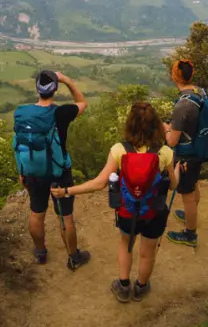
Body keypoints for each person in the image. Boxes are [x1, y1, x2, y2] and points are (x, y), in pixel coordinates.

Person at [52, 102, 181, 302]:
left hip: (127, 211)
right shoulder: (165, 152)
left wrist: (66, 191)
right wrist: (178, 171)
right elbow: (172, 185)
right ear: (156, 125)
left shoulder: (120, 150)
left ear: (129, 124)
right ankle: (140, 288)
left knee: (126, 245)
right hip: (154, 211)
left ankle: (123, 287)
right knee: (148, 253)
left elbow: (99, 183)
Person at [14, 69, 91, 271]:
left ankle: (40, 253)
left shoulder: (21, 113)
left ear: (37, 89)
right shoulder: (61, 113)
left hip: (32, 172)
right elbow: (83, 103)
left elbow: (19, 144)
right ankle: (74, 257)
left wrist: (22, 171)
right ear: (55, 89)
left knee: (36, 213)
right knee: (65, 217)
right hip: (59, 173)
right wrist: (66, 79)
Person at [164, 59, 202, 248]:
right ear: (191, 75)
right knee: (193, 183)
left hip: (187, 154)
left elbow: (171, 141)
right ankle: (191, 214)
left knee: (186, 193)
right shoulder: (201, 92)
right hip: (200, 147)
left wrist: (165, 129)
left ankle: (190, 234)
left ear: (174, 77)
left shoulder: (182, 106)